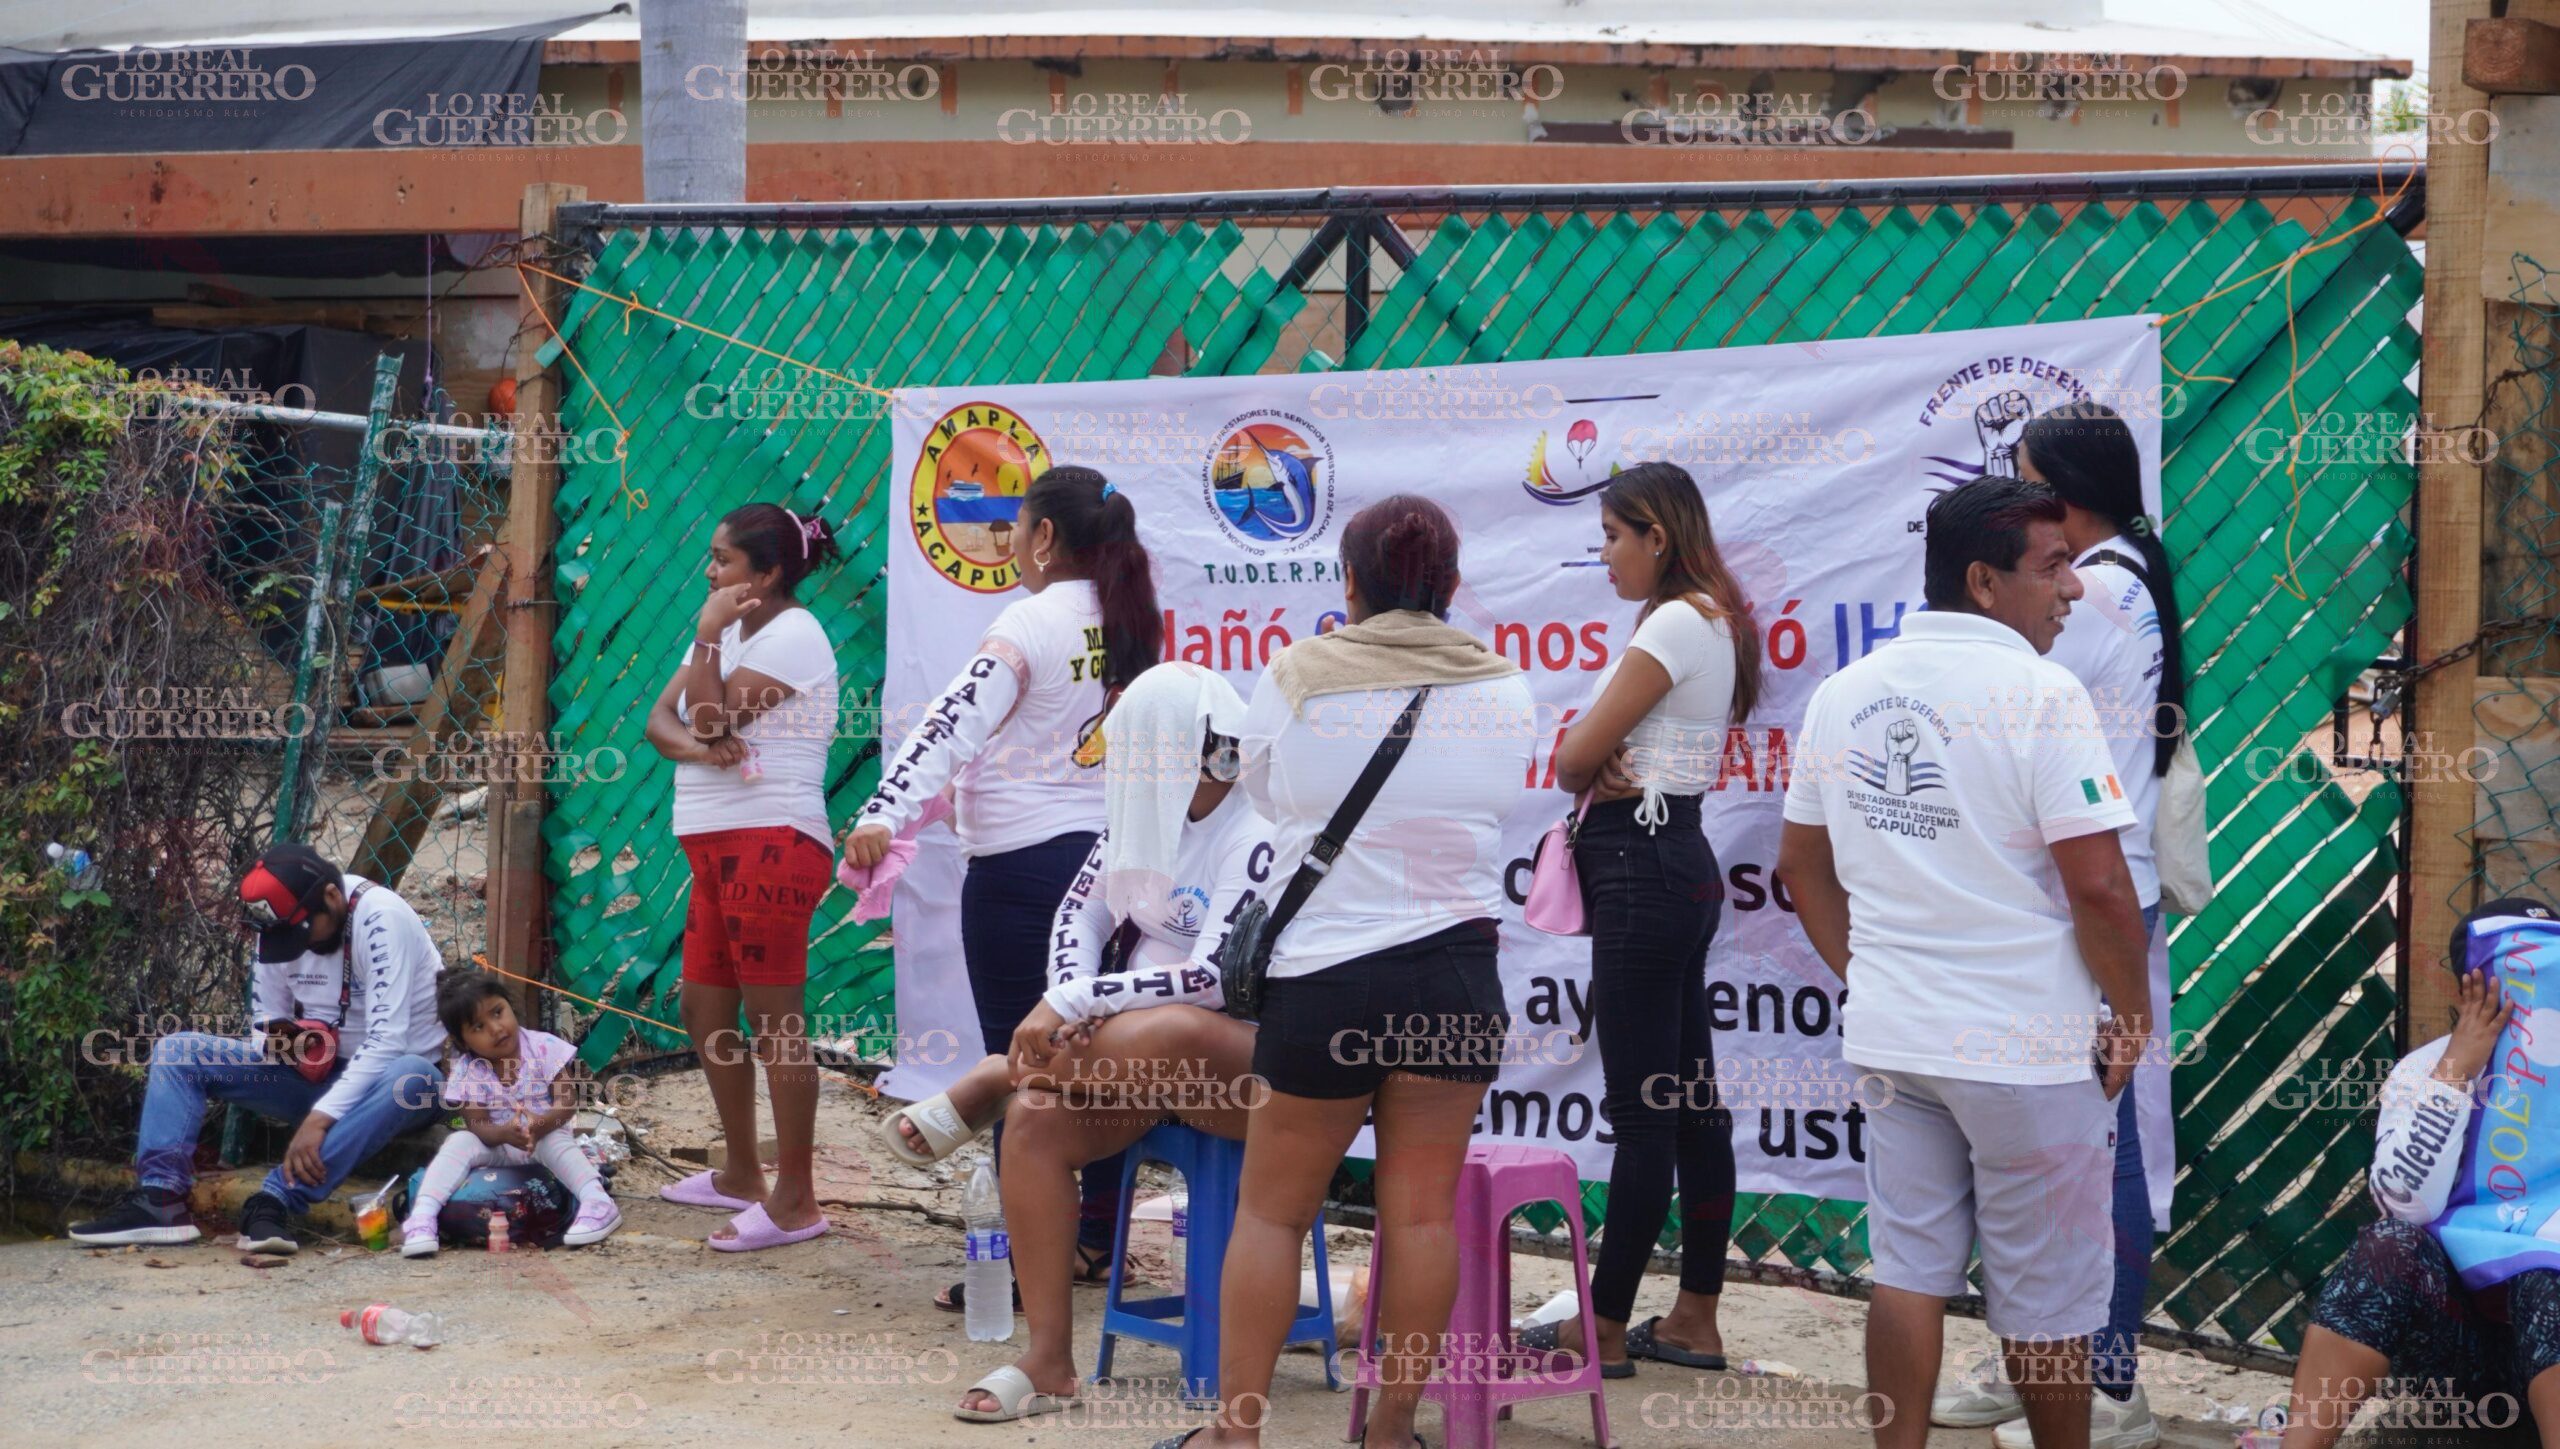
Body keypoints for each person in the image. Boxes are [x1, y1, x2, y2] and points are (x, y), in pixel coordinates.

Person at [1775, 476, 2150, 1449]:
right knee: (2047, 1302)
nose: (2074, 588)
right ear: (1984, 582)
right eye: (2054, 567)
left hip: (1896, 1040)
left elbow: (1800, 866)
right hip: (2027, 1050)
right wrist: (2132, 1013)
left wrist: (1866, 976)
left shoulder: (1846, 693)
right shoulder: (2043, 695)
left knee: (1907, 1274)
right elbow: (2101, 887)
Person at [1158, 495, 1536, 1449]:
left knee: (1272, 1213)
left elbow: (1261, 786)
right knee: (1422, 1220)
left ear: (1352, 582)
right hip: (1455, 978)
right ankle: (1391, 1431)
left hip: (1325, 979)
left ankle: (1236, 1434)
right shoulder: (1505, 685)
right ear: (1451, 585)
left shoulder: (1299, 674)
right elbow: (1498, 794)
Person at [871, 662, 1273, 1422]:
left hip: (1252, 1071)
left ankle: (1000, 1071)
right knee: (1034, 1120)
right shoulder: (1143, 818)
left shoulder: (1259, 828)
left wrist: (1079, 1001)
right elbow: (1078, 916)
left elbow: (1214, 977)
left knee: (1173, 1027)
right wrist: (1068, 994)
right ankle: (1048, 1360)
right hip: (1130, 1056)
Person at [845, 464, 1162, 1305]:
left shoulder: (1032, 619)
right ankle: (1095, 1241)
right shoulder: (1133, 619)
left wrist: (885, 810)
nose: (1011, 542)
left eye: (1016, 526)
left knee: (1022, 1065)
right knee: (1098, 1057)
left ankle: (1029, 1261)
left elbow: (951, 722)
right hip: (1115, 873)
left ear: (1046, 536)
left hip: (1024, 874)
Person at [1934, 402, 2183, 1448]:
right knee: (2056, 1140)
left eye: (2031, 477)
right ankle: (2041, 1361)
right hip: (2071, 888)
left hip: (2089, 891)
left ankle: (2107, 1379)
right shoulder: (2121, 573)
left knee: (2100, 1142)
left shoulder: (2098, 590)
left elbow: (2002, 714)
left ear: (2069, 493)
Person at [1523, 460, 1761, 1376]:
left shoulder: (1673, 621)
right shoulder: (1713, 618)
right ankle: (1695, 1314)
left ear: (1657, 536)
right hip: (1676, 859)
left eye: (1614, 536)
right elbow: (1590, 756)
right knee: (1691, 1102)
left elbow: (1572, 760)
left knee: (1645, 1112)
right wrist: (1595, 755)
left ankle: (1605, 1326)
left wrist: (1589, 753)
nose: (1606, 554)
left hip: (1641, 866)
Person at [69, 843, 446, 1254]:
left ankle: (274, 1200)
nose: (299, 946)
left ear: (331, 897)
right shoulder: (277, 928)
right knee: (179, 1052)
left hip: (393, 1090)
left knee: (413, 1075)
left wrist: (320, 1118)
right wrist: (292, 1044)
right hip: (317, 1077)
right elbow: (264, 1024)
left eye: (304, 933)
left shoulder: (381, 917)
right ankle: (160, 1201)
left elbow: (388, 1040)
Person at [2280, 899, 2560, 1449]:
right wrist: (2456, 1073)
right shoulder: (2424, 1069)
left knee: (2543, 1273)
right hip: (2459, 1360)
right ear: (2468, 989)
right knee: (2389, 1246)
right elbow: (2405, 1204)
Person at [642, 502, 843, 1251]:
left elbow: (704, 715)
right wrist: (702, 748)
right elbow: (660, 724)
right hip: (714, 842)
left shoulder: (794, 634)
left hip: (771, 841)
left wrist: (704, 647)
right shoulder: (727, 632)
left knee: (774, 1021)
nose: (710, 571)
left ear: (769, 572)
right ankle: (740, 1173)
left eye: (724, 559)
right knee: (704, 1006)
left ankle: (797, 1200)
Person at [400, 972, 620, 1257]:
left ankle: (597, 1201)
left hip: (542, 1139)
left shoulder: (542, 1047)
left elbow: (567, 1101)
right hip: (499, 1146)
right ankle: (422, 1216)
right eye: (479, 1026)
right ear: (463, 1041)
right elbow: (477, 1123)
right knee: (459, 1141)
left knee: (554, 1140)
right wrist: (504, 1133)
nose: (495, 1028)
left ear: (510, 1006)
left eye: (497, 1012)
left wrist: (540, 1125)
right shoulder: (468, 1070)